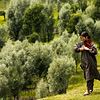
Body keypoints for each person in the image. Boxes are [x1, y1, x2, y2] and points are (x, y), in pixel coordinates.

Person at [74, 31, 100, 96]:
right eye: (81, 37)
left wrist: (88, 49)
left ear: (86, 37)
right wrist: (81, 49)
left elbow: (95, 51)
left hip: (91, 64)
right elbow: (75, 48)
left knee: (90, 77)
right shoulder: (81, 43)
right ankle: (90, 89)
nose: (82, 39)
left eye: (83, 37)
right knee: (87, 76)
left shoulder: (91, 43)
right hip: (84, 64)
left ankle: (88, 90)